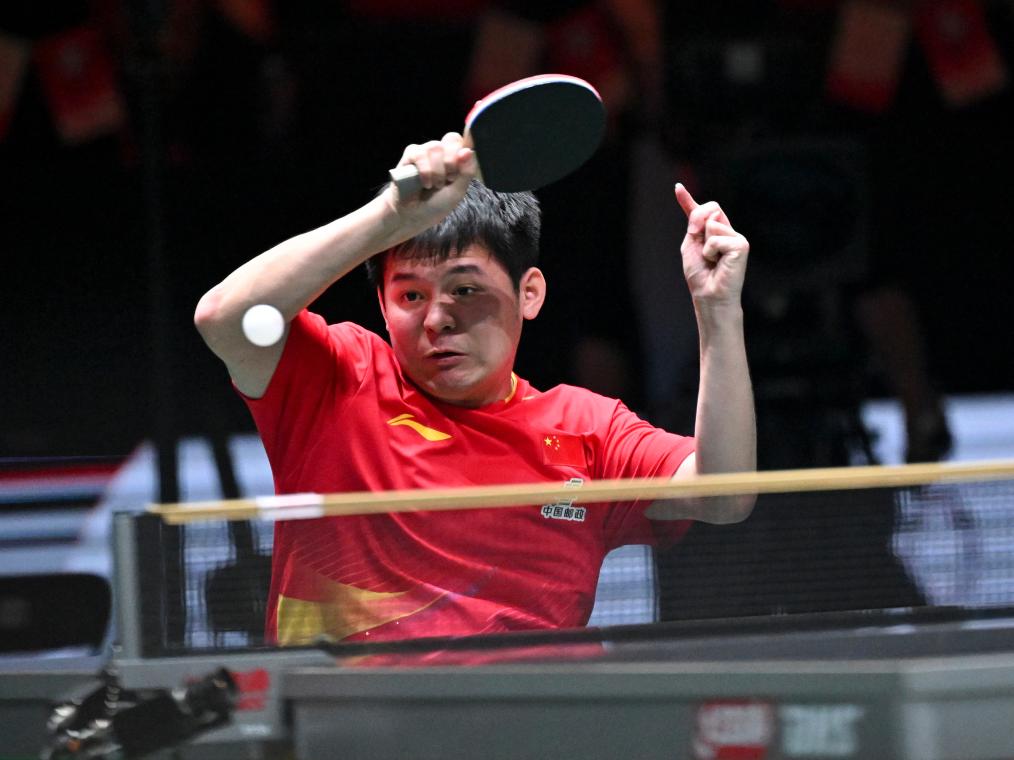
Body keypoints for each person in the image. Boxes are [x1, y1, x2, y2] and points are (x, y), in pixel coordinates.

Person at [194, 132, 755, 645]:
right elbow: (224, 318)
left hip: (518, 714)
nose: (437, 318)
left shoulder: (588, 430)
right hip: (338, 712)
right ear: (381, 306)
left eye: (464, 289)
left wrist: (718, 311)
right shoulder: (339, 380)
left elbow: (723, 495)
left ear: (529, 294)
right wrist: (389, 216)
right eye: (410, 296)